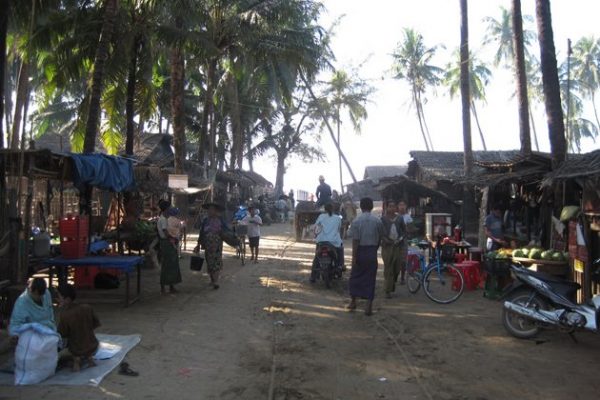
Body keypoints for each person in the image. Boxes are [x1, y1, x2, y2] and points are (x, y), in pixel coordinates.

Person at [348, 197, 385, 316]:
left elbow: (355, 240)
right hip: (372, 251)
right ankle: (368, 306)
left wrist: (354, 257)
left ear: (361, 207)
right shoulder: (377, 221)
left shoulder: (356, 221)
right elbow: (381, 237)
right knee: (370, 278)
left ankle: (353, 302)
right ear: (372, 207)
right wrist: (375, 248)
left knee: (355, 277)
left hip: (360, 251)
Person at [57, 284, 100, 372]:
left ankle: (76, 359)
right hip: (93, 346)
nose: (58, 299)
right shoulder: (87, 308)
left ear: (67, 299)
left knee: (60, 353)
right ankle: (89, 358)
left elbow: (62, 334)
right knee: (84, 341)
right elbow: (95, 324)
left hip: (76, 350)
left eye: (60, 297)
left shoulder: (65, 315)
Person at [194, 202, 228, 289]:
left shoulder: (220, 220)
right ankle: (212, 280)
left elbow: (227, 231)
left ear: (216, 211)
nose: (209, 211)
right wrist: (198, 244)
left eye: (211, 209)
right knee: (209, 262)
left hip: (217, 245)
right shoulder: (205, 220)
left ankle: (216, 281)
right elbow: (201, 233)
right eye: (209, 209)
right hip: (207, 245)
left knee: (216, 262)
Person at [310, 202, 343, 283]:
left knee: (317, 257)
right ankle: (339, 266)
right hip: (334, 242)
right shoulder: (338, 218)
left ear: (325, 209)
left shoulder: (321, 216)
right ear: (333, 209)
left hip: (321, 241)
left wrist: (315, 233)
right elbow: (339, 229)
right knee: (340, 251)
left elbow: (315, 227)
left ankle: (313, 276)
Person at [380, 201, 407, 298]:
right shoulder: (382, 219)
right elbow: (380, 233)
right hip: (387, 247)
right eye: (390, 206)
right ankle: (388, 290)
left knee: (397, 268)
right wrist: (385, 240)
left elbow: (404, 231)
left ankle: (393, 281)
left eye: (393, 207)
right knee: (388, 268)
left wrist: (400, 239)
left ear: (396, 208)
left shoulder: (400, 218)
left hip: (398, 246)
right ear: (386, 208)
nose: (392, 208)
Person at [157, 199, 182, 294]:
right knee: (168, 265)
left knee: (171, 264)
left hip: (167, 242)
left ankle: (170, 286)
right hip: (166, 243)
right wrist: (173, 238)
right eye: (169, 207)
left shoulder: (164, 218)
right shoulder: (163, 219)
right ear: (166, 209)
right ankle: (165, 286)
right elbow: (165, 233)